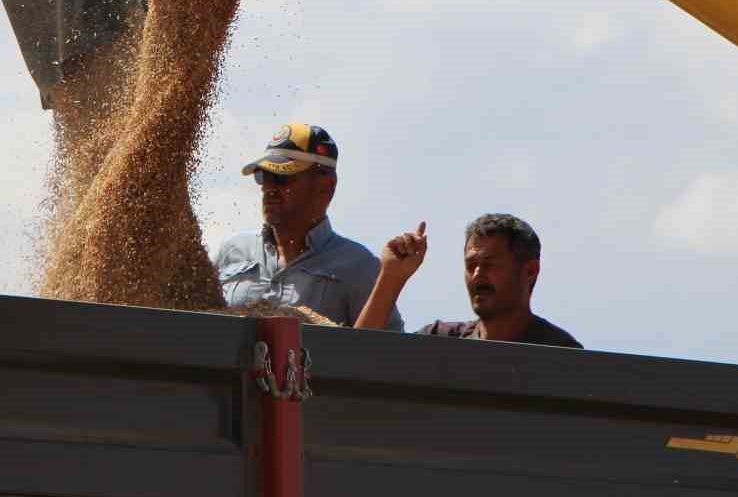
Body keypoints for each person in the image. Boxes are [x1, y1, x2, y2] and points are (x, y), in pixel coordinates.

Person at [213, 124, 403, 331]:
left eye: (282, 178)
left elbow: (380, 352)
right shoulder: (232, 250)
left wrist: (392, 277)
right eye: (263, 177)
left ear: (326, 186)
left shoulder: (358, 267)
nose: (268, 188)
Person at [354, 213, 580, 347]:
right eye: (471, 265)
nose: (478, 274)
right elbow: (355, 359)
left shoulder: (561, 353)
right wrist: (391, 276)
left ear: (530, 271)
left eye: (491, 264)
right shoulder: (440, 341)